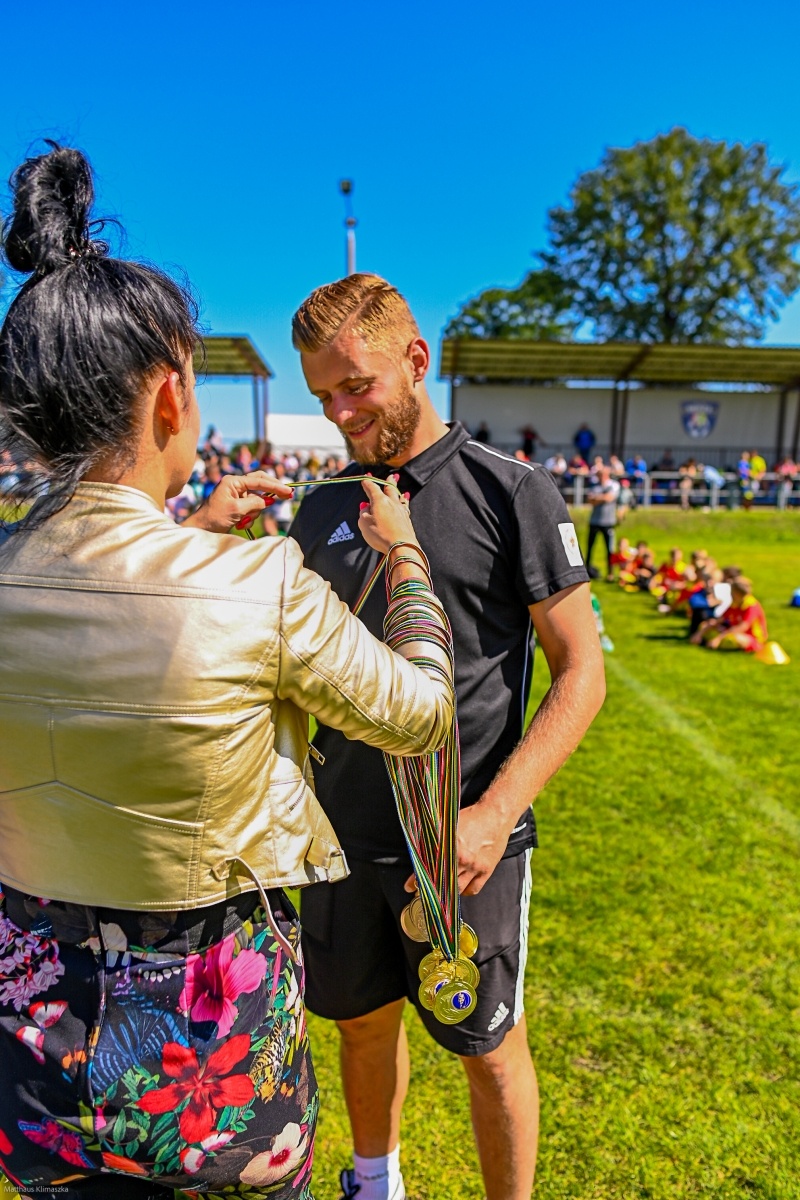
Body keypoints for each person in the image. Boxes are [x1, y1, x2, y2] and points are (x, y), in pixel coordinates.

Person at [0, 145, 456, 1200]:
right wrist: (409, 568)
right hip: (213, 1065)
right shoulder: (262, 584)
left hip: (33, 1052)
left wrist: (182, 533)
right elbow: (422, 715)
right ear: (169, 398)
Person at [288, 274, 606, 1200]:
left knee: (487, 1042)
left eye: (358, 387)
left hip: (467, 845)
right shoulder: (321, 507)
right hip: (340, 838)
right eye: (323, 397)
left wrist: (496, 813)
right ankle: (375, 1182)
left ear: (416, 363)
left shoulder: (511, 491)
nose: (341, 413)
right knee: (359, 1024)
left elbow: (580, 669)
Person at [690, 577, 768, 652]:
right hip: (730, 632)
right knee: (705, 625)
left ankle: (713, 642)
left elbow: (741, 627)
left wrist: (718, 638)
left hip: (751, 638)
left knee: (735, 639)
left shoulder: (751, 606)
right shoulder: (735, 603)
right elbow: (719, 620)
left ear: (738, 593)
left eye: (732, 592)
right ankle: (707, 641)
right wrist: (699, 633)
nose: (730, 594)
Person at [586, 465, 620, 582]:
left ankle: (610, 573)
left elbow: (609, 498)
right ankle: (587, 570)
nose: (600, 477)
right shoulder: (595, 486)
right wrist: (601, 498)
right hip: (594, 521)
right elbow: (590, 500)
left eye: (602, 474)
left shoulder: (613, 485)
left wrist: (597, 498)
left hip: (608, 522)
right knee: (590, 548)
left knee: (609, 549)